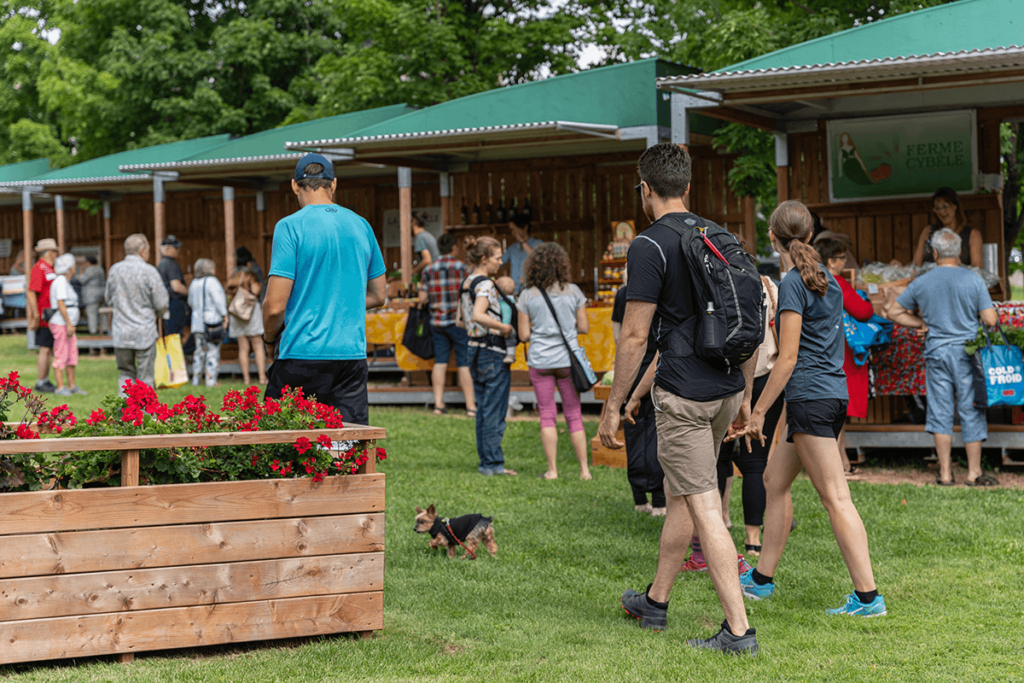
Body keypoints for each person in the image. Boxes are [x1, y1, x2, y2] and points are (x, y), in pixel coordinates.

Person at [598, 143, 759, 654]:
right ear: (687, 186)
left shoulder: (648, 246)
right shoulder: (720, 235)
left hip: (685, 396)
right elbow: (754, 318)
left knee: (705, 506)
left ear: (645, 189)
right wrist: (748, 398)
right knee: (684, 496)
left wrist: (613, 403)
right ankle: (655, 601)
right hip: (727, 389)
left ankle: (738, 631)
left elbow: (635, 337)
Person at [732, 200, 886, 618]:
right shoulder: (828, 280)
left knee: (836, 497)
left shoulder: (794, 284)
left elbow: (787, 359)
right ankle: (761, 580)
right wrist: (782, 414)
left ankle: (868, 598)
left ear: (772, 237)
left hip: (812, 399)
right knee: (773, 481)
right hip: (826, 397)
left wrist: (759, 410)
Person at [263, 153, 386, 425]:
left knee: (278, 447)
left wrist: (269, 340)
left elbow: (274, 306)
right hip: (351, 355)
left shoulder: (290, 226)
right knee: (345, 448)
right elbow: (379, 295)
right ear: (334, 184)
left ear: (295, 185)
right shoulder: (361, 225)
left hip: (302, 351)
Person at [888, 228, 999, 486]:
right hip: (968, 354)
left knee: (940, 410)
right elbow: (991, 319)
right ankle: (973, 473)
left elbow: (894, 311)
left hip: (936, 352)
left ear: (935, 253)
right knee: (971, 408)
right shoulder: (973, 280)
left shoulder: (921, 282)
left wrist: (918, 323)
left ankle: (946, 474)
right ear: (959, 252)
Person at [517, 242, 591, 481]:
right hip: (566, 361)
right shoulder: (574, 292)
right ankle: (584, 471)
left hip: (540, 360)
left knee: (547, 415)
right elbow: (584, 327)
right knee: (574, 414)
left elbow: (524, 335)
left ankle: (553, 470)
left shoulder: (528, 296)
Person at [457, 235, 517, 476]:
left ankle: (486, 460)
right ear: (484, 259)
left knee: (483, 409)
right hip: (492, 350)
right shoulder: (486, 284)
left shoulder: (466, 283)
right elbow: (478, 315)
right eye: (497, 258)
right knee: (494, 409)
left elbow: (460, 320)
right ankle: (492, 464)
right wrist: (505, 328)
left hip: (472, 348)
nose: (500, 263)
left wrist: (477, 328)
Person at [816, 238, 875, 479]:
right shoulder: (837, 282)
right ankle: (839, 466)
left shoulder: (812, 280)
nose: (844, 261)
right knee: (840, 411)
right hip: (841, 353)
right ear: (831, 260)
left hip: (819, 351)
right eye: (841, 258)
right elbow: (863, 311)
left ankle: (843, 462)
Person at [611, 269, 666, 516]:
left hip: (631, 367)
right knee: (656, 431)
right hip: (657, 367)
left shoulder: (623, 294)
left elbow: (618, 334)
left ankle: (639, 497)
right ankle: (658, 500)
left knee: (633, 428)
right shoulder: (662, 292)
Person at [418, 232, 477, 417]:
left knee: (440, 362)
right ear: (453, 248)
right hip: (459, 323)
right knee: (464, 364)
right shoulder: (463, 268)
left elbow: (422, 298)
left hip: (437, 321)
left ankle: (438, 404)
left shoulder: (428, 270)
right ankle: (470, 406)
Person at [105, 234, 169, 393]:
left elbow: (108, 298)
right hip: (144, 332)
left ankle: (126, 414)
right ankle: (146, 416)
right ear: (142, 250)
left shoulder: (115, 270)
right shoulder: (149, 271)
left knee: (125, 374)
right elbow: (162, 303)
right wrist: (159, 313)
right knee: (145, 377)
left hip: (121, 332)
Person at [913, 187, 982, 269]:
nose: (941, 212)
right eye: (937, 208)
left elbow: (977, 270)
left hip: (960, 281)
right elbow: (915, 265)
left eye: (945, 206)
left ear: (955, 206)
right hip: (931, 280)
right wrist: (899, 268)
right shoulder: (928, 231)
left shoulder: (972, 234)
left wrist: (958, 265)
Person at [49, 253, 86, 397]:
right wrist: (69, 323)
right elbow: (61, 303)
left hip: (68, 324)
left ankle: (71, 385)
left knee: (71, 355)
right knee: (61, 353)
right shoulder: (60, 281)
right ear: (70, 267)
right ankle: (60, 387)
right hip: (62, 324)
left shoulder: (65, 281)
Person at [188, 259, 227, 387]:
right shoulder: (212, 282)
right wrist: (224, 315)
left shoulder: (194, 283)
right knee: (212, 351)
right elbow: (219, 301)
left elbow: (190, 302)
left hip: (197, 323)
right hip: (211, 322)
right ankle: (211, 380)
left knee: (199, 352)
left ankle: (196, 380)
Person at [227, 261, 267, 385]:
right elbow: (255, 292)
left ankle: (246, 379)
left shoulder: (233, 279)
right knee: (258, 346)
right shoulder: (251, 276)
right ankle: (262, 377)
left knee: (243, 348)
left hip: (237, 315)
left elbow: (228, 296)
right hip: (251, 314)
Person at [27, 238, 59, 393]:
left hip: (51, 314)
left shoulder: (48, 268)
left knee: (49, 348)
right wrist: (35, 315)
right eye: (54, 251)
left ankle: (45, 380)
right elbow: (32, 291)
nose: (56, 254)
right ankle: (41, 382)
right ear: (49, 252)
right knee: (44, 348)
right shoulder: (39, 268)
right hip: (44, 315)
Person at [157, 235, 190, 338]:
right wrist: (191, 292)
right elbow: (176, 287)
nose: (178, 250)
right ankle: (183, 354)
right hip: (175, 304)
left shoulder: (160, 264)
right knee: (176, 336)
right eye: (176, 248)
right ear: (167, 249)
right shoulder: (171, 264)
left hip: (165, 304)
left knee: (170, 335)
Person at [501, 214, 542, 293]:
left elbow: (536, 259)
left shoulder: (538, 244)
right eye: (511, 230)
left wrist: (522, 241)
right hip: (515, 292)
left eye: (514, 229)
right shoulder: (512, 248)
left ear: (525, 227)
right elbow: (499, 262)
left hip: (532, 291)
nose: (513, 233)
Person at [76, 255, 107, 335]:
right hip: (101, 293)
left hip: (91, 295)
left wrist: (81, 270)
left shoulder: (89, 269)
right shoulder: (100, 268)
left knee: (91, 313)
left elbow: (82, 280)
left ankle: (93, 331)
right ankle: (105, 329)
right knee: (102, 313)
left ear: (88, 262)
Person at [495, 276, 518, 364]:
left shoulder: (504, 303)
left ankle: (510, 355)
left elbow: (506, 315)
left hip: (508, 327)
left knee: (510, 340)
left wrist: (504, 327)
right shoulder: (512, 301)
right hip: (512, 325)